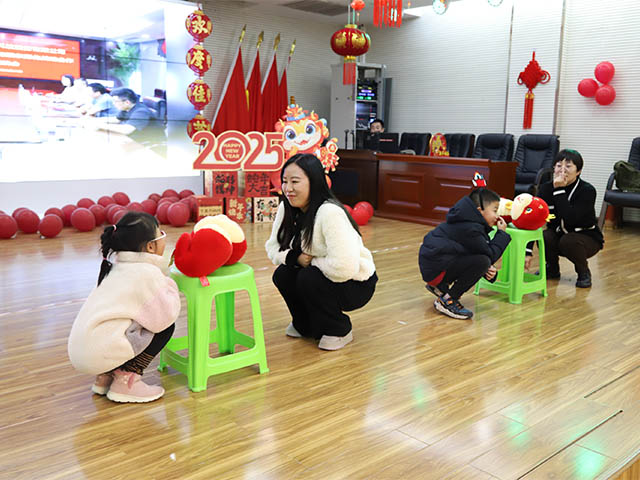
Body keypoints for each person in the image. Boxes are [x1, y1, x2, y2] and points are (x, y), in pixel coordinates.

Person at [265, 153, 378, 350]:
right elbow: (272, 247)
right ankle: (304, 324)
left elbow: (344, 267)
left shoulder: (329, 212)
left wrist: (309, 262)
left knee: (308, 277)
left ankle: (339, 329)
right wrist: (295, 258)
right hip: (320, 272)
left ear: (314, 181)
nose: (288, 188)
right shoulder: (287, 207)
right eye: (284, 181)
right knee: (283, 274)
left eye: (295, 182)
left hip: (355, 282)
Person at [68, 212, 180, 403]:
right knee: (165, 328)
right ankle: (127, 380)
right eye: (160, 233)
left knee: (126, 322)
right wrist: (170, 283)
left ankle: (105, 376)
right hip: (100, 353)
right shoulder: (146, 273)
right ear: (150, 246)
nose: (164, 237)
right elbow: (165, 316)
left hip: (81, 352)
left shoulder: (115, 267)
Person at [419, 186, 511, 319]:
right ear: (479, 211)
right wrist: (502, 234)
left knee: (483, 261)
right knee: (483, 261)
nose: (497, 216)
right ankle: (448, 300)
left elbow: (477, 250)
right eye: (495, 211)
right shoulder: (470, 228)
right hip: (437, 271)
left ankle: (439, 286)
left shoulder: (465, 221)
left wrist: (488, 269)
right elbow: (489, 255)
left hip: (434, 269)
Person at [525, 149, 604, 288]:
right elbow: (534, 219)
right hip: (559, 234)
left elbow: (571, 219)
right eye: (558, 166)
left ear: (578, 171)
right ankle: (552, 269)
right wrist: (528, 251)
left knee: (569, 240)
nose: (562, 170)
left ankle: (583, 272)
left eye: (568, 166)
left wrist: (559, 190)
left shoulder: (587, 190)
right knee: (545, 235)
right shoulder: (545, 189)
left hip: (586, 237)